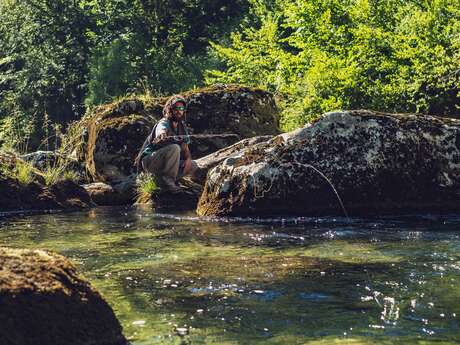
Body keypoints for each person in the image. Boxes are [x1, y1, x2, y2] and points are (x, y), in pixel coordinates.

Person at [134, 95, 197, 192]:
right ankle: (168, 182)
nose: (178, 111)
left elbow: (185, 149)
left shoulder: (182, 128)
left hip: (164, 163)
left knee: (193, 164)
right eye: (175, 108)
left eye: (181, 108)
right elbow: (161, 129)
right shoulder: (164, 122)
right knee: (175, 148)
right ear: (170, 110)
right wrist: (162, 134)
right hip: (149, 161)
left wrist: (188, 159)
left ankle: (164, 180)